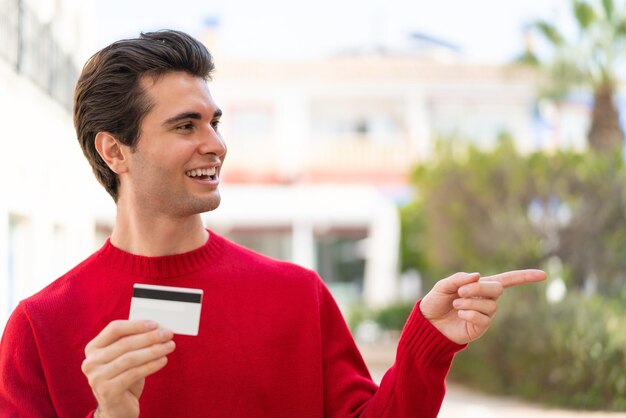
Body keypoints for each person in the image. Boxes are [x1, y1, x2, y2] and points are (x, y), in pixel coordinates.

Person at [0, 30, 545, 417]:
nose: (215, 144)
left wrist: (428, 346)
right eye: (185, 125)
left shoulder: (296, 296)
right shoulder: (39, 328)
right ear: (115, 151)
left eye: (214, 121)